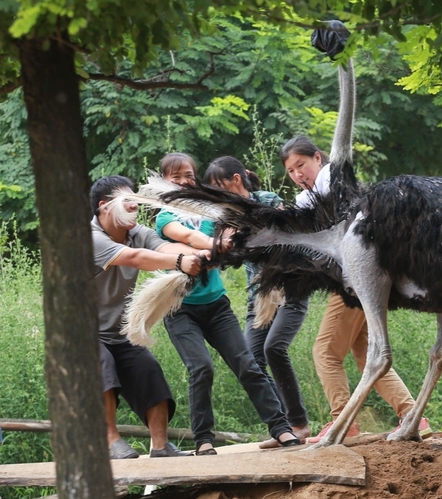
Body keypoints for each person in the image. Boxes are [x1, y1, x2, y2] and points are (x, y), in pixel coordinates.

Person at [280, 136, 427, 442]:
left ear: (318, 159)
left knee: (325, 352)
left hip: (355, 279)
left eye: (301, 165)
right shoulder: (319, 191)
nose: (297, 175)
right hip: (364, 279)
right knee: (364, 353)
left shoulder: (333, 180)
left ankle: (342, 422)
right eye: (291, 171)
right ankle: (414, 416)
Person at [155, 153, 302, 455]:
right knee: (202, 368)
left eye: (188, 175)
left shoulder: (213, 211)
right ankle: (204, 440)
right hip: (179, 309)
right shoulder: (163, 217)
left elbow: (228, 234)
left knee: (247, 364)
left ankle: (282, 429)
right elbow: (185, 237)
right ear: (163, 181)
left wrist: (227, 239)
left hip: (216, 305)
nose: (184, 181)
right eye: (175, 177)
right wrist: (214, 245)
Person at [90, 174, 207, 459]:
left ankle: (160, 447)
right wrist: (181, 262)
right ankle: (110, 440)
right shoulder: (90, 238)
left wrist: (207, 252)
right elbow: (135, 258)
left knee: (149, 370)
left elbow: (165, 248)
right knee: (102, 365)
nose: (134, 207)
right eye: (127, 201)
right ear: (104, 207)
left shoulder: (138, 232)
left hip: (119, 333)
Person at [204, 155, 312, 448]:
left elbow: (281, 235)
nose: (217, 195)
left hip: (290, 287)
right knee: (250, 360)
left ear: (235, 180)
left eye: (219, 187)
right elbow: (232, 261)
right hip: (259, 298)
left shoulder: (267, 199)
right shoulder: (224, 216)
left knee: (274, 347)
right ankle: (284, 427)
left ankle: (299, 424)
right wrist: (223, 246)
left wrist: (242, 232)